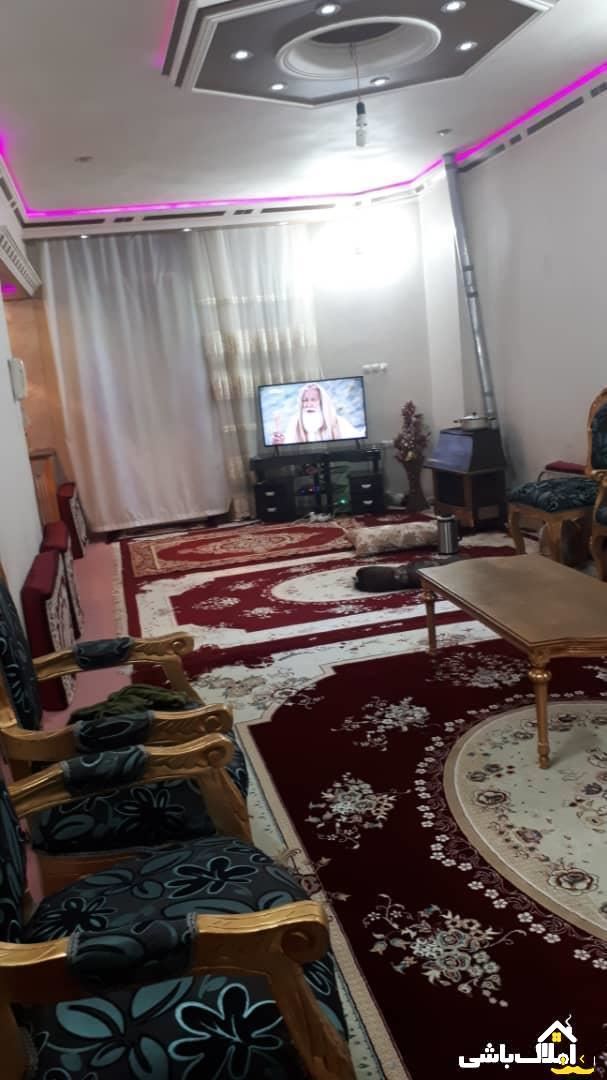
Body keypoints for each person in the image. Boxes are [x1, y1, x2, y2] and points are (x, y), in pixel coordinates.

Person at [271, 383, 364, 444]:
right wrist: (279, 443)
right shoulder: (295, 422)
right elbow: (287, 445)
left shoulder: (336, 421)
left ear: (322, 402)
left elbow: (356, 438)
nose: (309, 404)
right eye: (305, 400)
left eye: (313, 400)